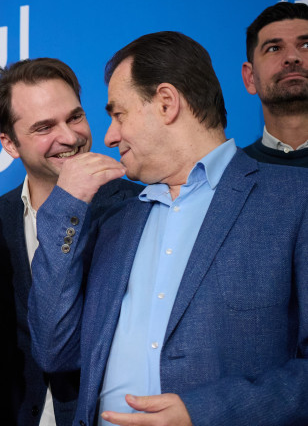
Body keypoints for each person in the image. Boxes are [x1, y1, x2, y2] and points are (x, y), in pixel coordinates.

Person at [29, 31, 308, 426]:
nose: (108, 136)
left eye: (118, 114)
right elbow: (53, 351)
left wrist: (205, 414)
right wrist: (65, 208)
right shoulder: (114, 223)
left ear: (166, 103)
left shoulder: (295, 198)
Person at [0, 58, 140, 426]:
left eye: (75, 117)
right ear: (9, 144)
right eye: (45, 127)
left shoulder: (134, 208)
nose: (70, 137)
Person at [241, 1, 308, 167]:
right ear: (250, 77)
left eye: (306, 45)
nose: (292, 57)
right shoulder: (226, 173)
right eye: (274, 48)